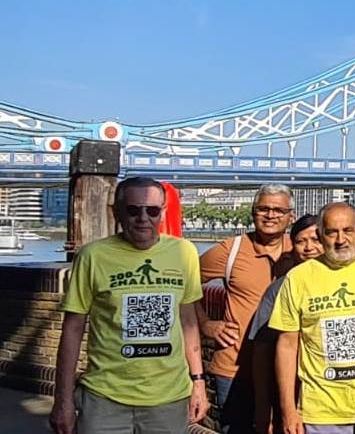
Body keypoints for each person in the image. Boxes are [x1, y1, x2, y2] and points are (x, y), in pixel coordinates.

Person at [49, 177, 208, 434]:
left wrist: (198, 382)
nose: (143, 218)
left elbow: (187, 320)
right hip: (104, 399)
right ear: (116, 212)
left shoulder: (185, 253)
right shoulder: (92, 256)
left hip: (169, 399)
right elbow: (72, 329)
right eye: (133, 210)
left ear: (163, 213)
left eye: (152, 211)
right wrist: (63, 400)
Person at [269, 202, 355, 434]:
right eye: (332, 232)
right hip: (321, 413)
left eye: (348, 231)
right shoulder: (298, 278)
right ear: (321, 235)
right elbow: (286, 346)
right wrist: (288, 409)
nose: (340, 239)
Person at [198, 183, 296, 433]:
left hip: (288, 370)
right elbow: (183, 284)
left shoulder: (300, 252)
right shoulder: (230, 250)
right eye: (263, 208)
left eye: (278, 210)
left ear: (290, 217)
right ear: (253, 213)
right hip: (234, 369)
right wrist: (206, 322)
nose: (270, 215)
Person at [249, 214, 324, 434]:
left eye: (316, 239)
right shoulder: (280, 288)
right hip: (292, 395)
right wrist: (263, 406)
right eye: (301, 241)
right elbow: (262, 351)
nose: (309, 247)